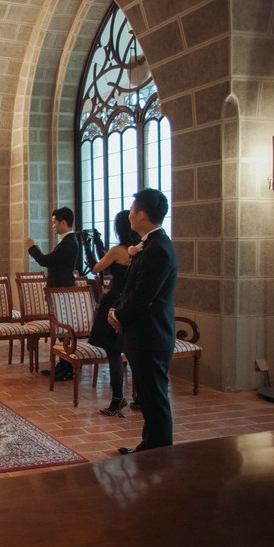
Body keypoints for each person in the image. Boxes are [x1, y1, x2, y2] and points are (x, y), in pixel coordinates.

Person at [109, 188, 178, 455]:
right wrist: (116, 310)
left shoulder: (158, 248)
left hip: (152, 334)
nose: (129, 214)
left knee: (154, 397)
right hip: (143, 333)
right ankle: (149, 446)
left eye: (133, 209)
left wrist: (118, 315)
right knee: (148, 397)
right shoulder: (149, 245)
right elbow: (131, 288)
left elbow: (143, 295)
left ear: (143, 214)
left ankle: (159, 452)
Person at [87, 210, 140, 417]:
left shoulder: (118, 251)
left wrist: (87, 248)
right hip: (132, 302)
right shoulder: (140, 250)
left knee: (114, 353)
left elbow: (95, 268)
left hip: (114, 302)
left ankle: (118, 400)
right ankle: (141, 398)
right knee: (133, 352)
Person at [25, 206, 79, 379]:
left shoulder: (69, 242)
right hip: (59, 290)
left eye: (55, 222)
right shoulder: (66, 241)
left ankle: (67, 367)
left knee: (64, 329)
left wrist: (33, 248)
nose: (53, 225)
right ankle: (62, 365)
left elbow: (46, 261)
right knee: (60, 328)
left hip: (63, 290)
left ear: (63, 222)